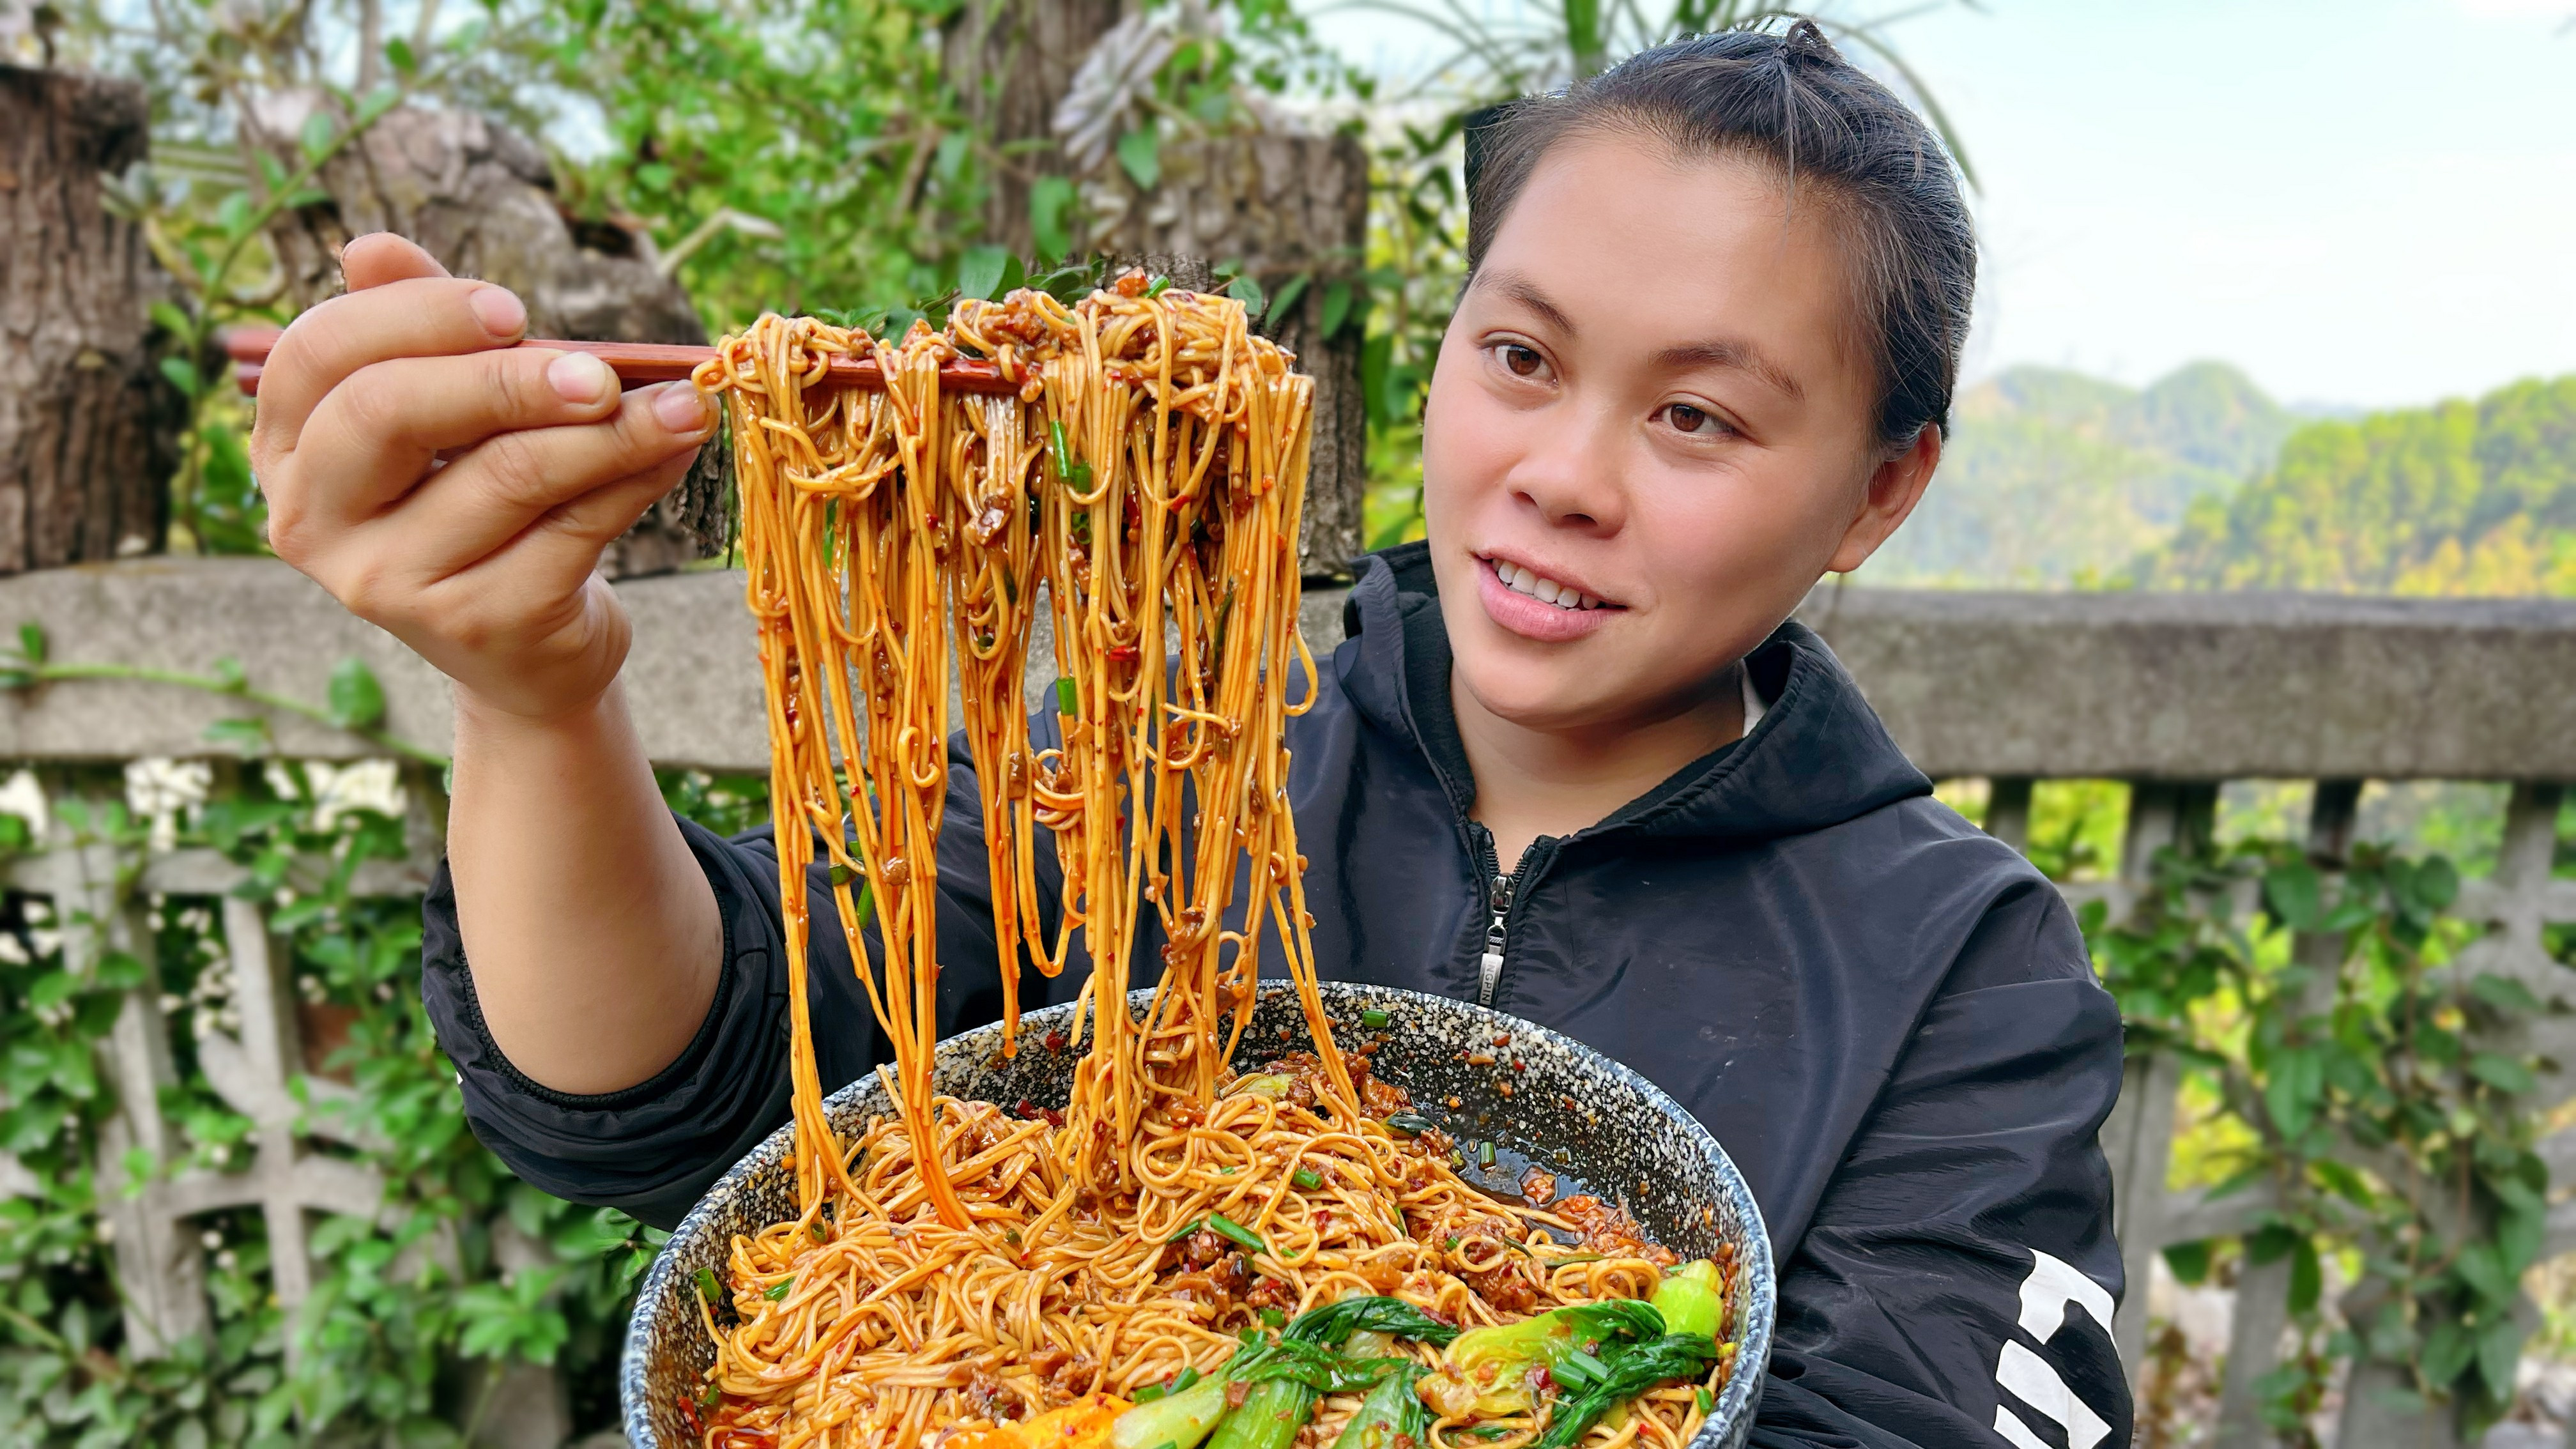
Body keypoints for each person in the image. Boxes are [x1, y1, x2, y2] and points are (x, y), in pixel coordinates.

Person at [251, 22, 2130, 1449]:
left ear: (1880, 490)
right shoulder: (1160, 757)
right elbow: (676, 1077)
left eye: (1701, 417)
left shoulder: (1964, 978)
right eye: (1523, 357)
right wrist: (529, 691)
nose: (1562, 477)